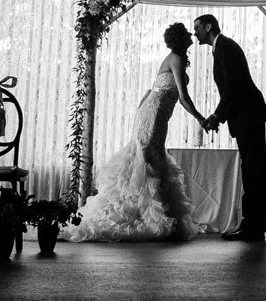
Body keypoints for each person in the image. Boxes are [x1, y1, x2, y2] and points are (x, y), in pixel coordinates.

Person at [69, 22, 208, 242]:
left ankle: (145, 214)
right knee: (146, 157)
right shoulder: (177, 59)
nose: (192, 35)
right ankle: (142, 216)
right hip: (153, 113)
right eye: (187, 34)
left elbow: (156, 90)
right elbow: (182, 97)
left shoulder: (174, 59)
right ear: (182, 40)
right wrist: (201, 119)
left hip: (156, 112)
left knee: (150, 156)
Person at [194, 13, 266, 241]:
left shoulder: (225, 47)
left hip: (248, 115)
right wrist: (219, 115)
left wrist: (218, 115)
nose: (194, 33)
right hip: (245, 116)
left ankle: (254, 228)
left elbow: (233, 87)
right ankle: (252, 226)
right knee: (251, 172)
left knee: (254, 172)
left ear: (208, 27)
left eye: (197, 28)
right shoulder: (221, 47)